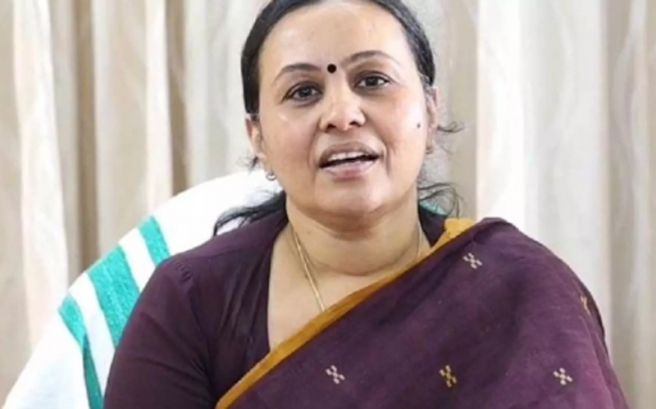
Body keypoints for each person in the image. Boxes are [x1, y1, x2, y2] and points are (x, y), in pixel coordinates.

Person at [103, 0, 629, 408]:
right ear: (257, 137)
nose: (342, 113)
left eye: (373, 81)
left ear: (430, 112)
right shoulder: (191, 305)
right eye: (303, 92)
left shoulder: (521, 286)